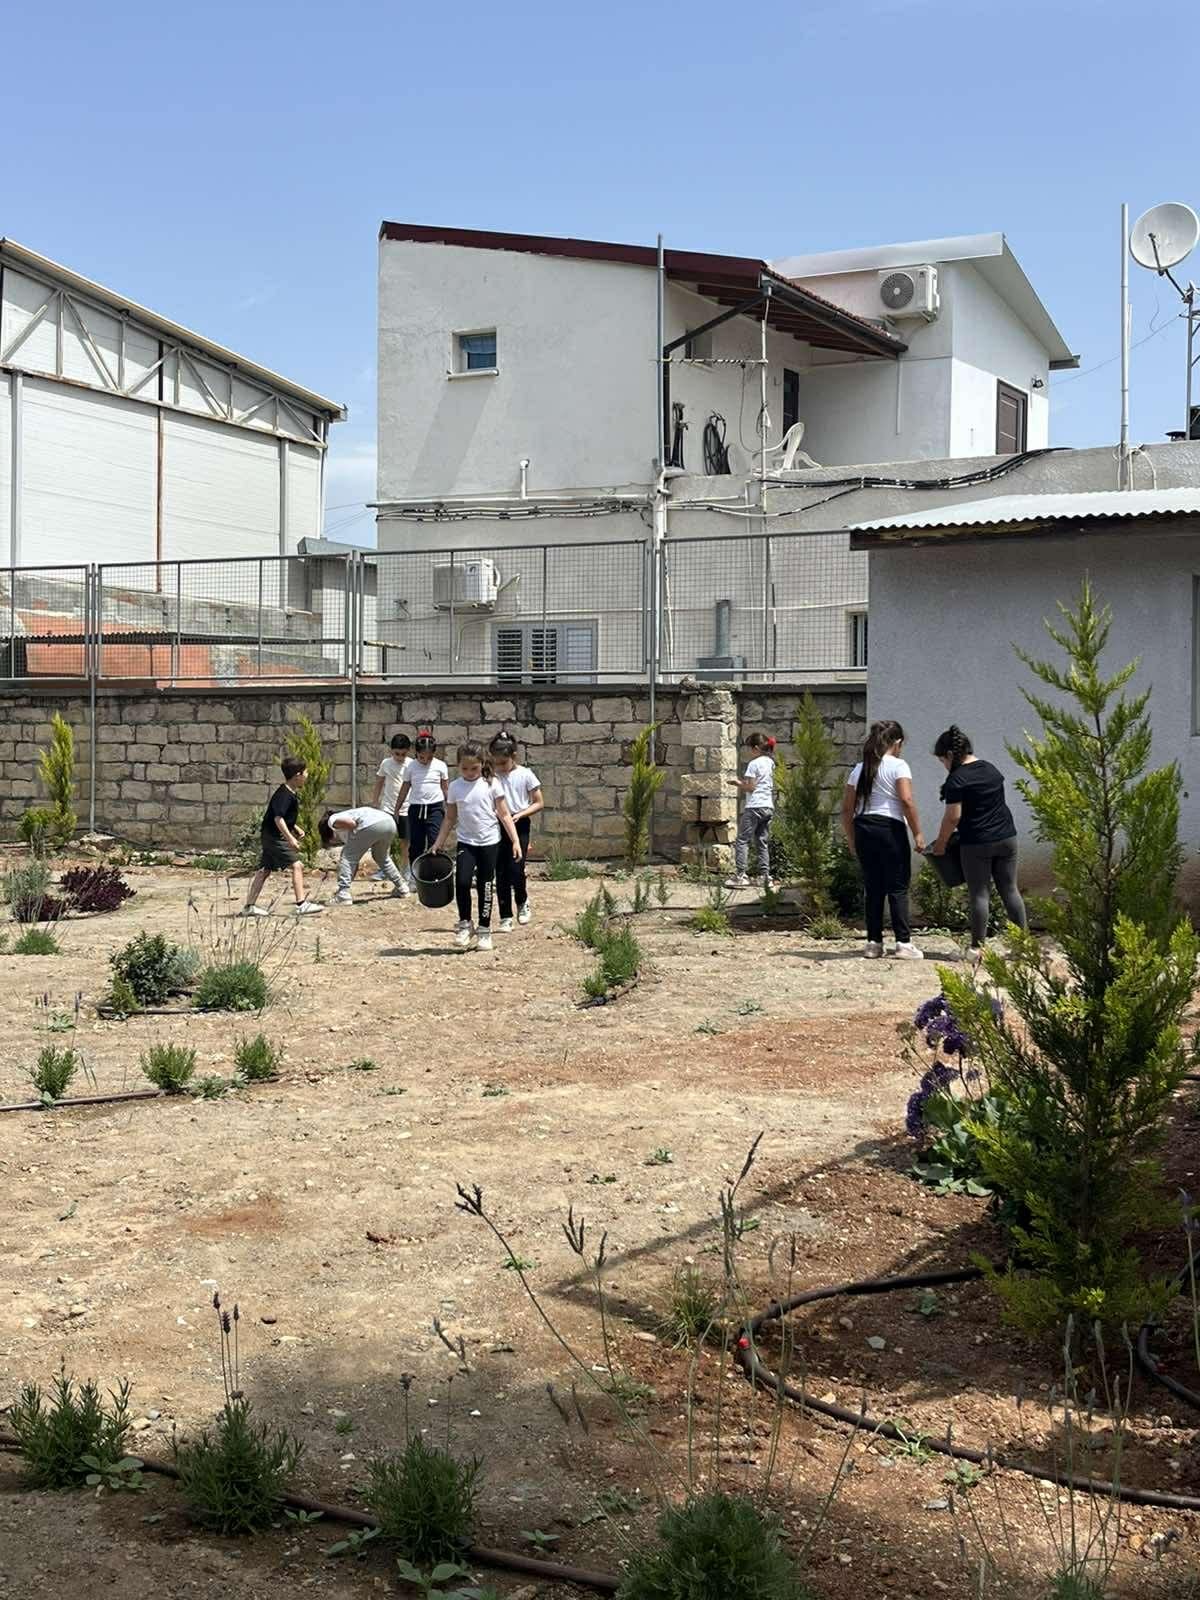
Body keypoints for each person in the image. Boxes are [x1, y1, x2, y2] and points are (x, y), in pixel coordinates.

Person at [929, 724, 1027, 959]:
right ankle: (1023, 948)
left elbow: (953, 817)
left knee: (979, 894)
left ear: (950, 755)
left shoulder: (957, 780)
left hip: (977, 842)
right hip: (1007, 838)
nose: (943, 766)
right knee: (1010, 890)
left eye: (942, 760)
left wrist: (941, 844)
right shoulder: (991, 769)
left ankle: (976, 949)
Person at [841, 720, 925, 960]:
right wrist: (917, 833)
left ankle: (874, 942)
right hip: (890, 828)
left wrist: (851, 839)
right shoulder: (899, 766)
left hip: (863, 827)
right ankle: (903, 943)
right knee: (897, 886)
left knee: (873, 887)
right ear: (897, 742)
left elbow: (847, 809)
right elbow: (906, 801)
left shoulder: (859, 769)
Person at [432, 742, 522, 952]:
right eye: (464, 768)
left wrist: (515, 840)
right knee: (462, 882)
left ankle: (484, 930)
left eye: (474, 768)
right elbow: (449, 818)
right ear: (458, 766)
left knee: (485, 886)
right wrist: (438, 843)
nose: (469, 772)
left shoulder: (492, 784)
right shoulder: (455, 787)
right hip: (467, 842)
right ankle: (465, 924)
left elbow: (504, 814)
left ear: (482, 764)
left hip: (489, 842)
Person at [243, 756, 323, 916]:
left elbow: (282, 816)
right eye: (306, 772)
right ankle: (301, 904)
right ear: (298, 775)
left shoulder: (288, 792)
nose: (307, 776)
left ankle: (249, 907)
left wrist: (296, 828)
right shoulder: (285, 795)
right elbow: (278, 818)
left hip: (269, 835)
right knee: (297, 865)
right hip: (274, 837)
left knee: (265, 870)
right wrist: (290, 839)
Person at [489, 729, 544, 930]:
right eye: (496, 763)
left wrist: (521, 814)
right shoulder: (491, 776)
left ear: (514, 756)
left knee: (516, 868)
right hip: (497, 825)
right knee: (500, 871)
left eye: (503, 763)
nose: (500, 767)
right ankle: (505, 915)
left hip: (519, 824)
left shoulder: (525, 774)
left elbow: (539, 802)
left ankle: (522, 901)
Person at [318, 805, 409, 905]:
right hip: (389, 823)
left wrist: (344, 887)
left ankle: (343, 896)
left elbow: (352, 824)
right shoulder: (348, 819)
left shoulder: (331, 820)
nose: (334, 842)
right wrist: (348, 881)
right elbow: (353, 864)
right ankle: (402, 887)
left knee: (346, 856)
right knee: (382, 857)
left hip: (371, 824)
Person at [725, 732, 778, 891]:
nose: (748, 752)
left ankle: (741, 876)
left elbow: (751, 787)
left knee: (742, 840)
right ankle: (765, 876)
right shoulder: (770, 763)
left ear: (755, 748)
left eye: (749, 749)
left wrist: (737, 783)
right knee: (762, 841)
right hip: (768, 806)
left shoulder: (754, 764)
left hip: (754, 806)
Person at [397, 731, 449, 866]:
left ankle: (435, 872)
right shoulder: (411, 766)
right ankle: (416, 873)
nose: (425, 761)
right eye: (422, 757)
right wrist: (397, 808)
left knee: (435, 841)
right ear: (416, 753)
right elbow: (405, 788)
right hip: (416, 808)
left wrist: (450, 808)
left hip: (435, 808)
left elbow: (445, 788)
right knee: (416, 844)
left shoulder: (440, 766)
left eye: (429, 757)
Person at [370, 732, 412, 892]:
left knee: (405, 842)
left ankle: (405, 871)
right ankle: (384, 869)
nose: (399, 757)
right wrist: (375, 801)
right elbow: (379, 782)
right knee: (384, 840)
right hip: (388, 807)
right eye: (396, 754)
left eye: (403, 754)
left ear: (408, 751)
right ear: (391, 751)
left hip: (406, 808)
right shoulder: (386, 764)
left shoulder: (411, 765)